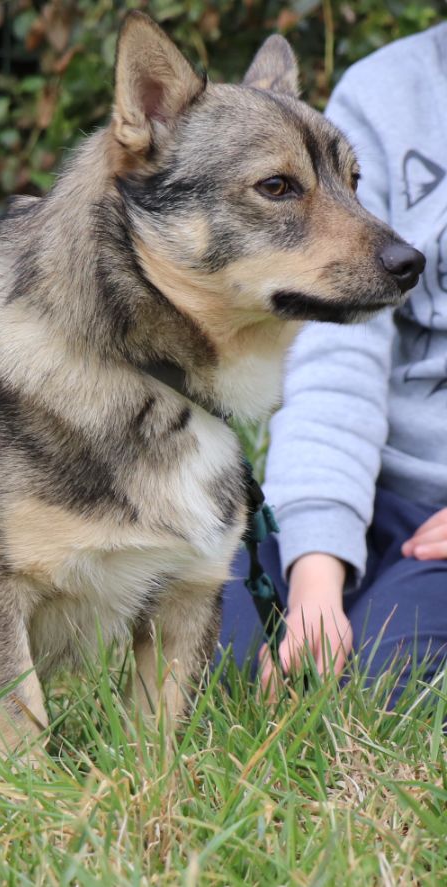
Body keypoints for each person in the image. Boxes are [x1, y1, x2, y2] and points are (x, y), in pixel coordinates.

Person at [219, 21, 447, 703]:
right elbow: (336, 349)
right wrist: (315, 573)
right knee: (226, 652)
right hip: (368, 488)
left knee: (389, 682)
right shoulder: (382, 91)